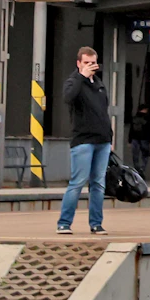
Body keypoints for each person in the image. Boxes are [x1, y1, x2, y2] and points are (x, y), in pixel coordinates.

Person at [58, 46, 114, 235]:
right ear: (79, 63)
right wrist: (81, 77)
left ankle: (96, 223)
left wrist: (109, 136)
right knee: (78, 182)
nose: (91, 66)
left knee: (98, 183)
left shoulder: (99, 84)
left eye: (93, 63)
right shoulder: (74, 82)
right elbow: (68, 98)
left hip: (103, 140)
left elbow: (103, 111)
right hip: (83, 140)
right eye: (87, 63)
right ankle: (64, 223)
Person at [129, 103, 150, 175]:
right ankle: (142, 169)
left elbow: (131, 130)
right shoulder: (148, 119)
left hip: (135, 139)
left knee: (135, 156)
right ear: (145, 110)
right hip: (144, 139)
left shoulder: (134, 118)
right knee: (145, 156)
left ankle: (137, 169)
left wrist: (129, 140)